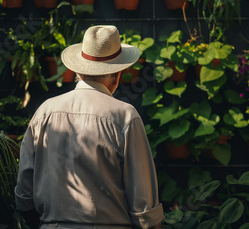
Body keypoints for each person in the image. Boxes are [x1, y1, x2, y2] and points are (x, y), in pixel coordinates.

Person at [15, 25, 164, 229]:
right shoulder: (125, 116)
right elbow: (144, 208)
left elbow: (24, 191)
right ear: (117, 75)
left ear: (78, 70)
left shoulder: (45, 111)